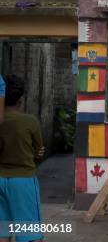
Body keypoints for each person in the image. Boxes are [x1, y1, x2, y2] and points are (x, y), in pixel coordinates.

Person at [0, 75, 45, 242]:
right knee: (30, 233)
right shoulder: (30, 121)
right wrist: (35, 154)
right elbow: (39, 152)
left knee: (3, 231)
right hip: (23, 180)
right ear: (20, 100)